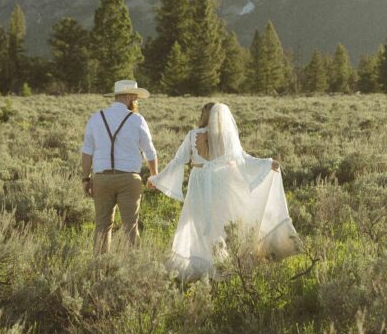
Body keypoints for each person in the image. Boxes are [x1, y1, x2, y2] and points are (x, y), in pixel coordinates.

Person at [149, 102, 298, 279]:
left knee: (200, 223)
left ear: (203, 116)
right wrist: (267, 164)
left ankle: (206, 266)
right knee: (221, 224)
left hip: (199, 184)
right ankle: (220, 264)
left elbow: (178, 160)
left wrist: (157, 179)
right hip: (222, 183)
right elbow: (243, 159)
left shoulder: (192, 136)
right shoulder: (226, 136)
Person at [81, 80, 158, 253]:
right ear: (129, 96)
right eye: (136, 97)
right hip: (129, 180)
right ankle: (133, 267)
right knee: (130, 226)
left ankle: (99, 268)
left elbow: (87, 152)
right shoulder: (137, 119)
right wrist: (154, 175)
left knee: (102, 226)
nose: (136, 101)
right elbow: (150, 152)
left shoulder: (96, 118)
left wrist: (86, 179)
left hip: (102, 179)